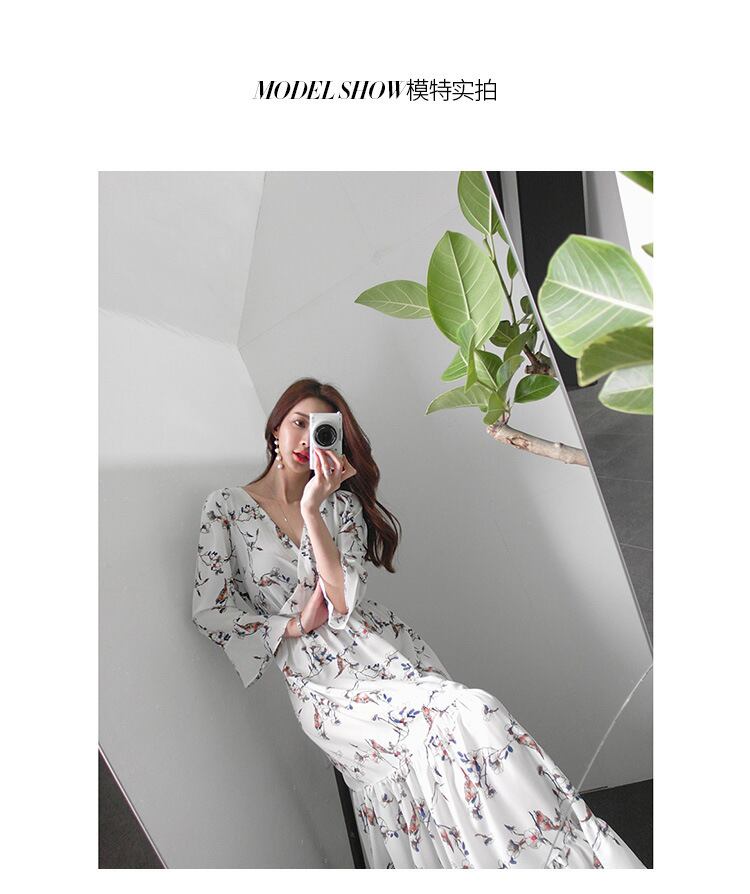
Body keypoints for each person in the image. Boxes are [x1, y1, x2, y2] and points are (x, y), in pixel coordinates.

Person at [191, 377, 646, 869]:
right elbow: (211, 610)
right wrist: (293, 626)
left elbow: (341, 599)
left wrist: (312, 508)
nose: (306, 439)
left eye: (320, 428)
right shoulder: (226, 506)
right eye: (298, 423)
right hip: (319, 686)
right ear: (275, 426)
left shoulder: (340, 506)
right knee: (454, 728)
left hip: (382, 651)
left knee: (471, 718)